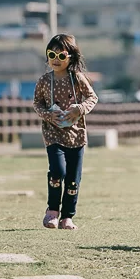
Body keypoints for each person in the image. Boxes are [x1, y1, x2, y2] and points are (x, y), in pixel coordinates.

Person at [33, 33, 98, 230]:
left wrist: (80, 108)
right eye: (51, 54)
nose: (55, 59)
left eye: (61, 56)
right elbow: (37, 103)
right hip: (53, 134)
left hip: (77, 135)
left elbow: (92, 97)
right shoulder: (44, 81)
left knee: (73, 179)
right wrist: (47, 115)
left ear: (70, 57)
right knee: (57, 172)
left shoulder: (77, 79)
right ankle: (52, 211)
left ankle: (67, 217)